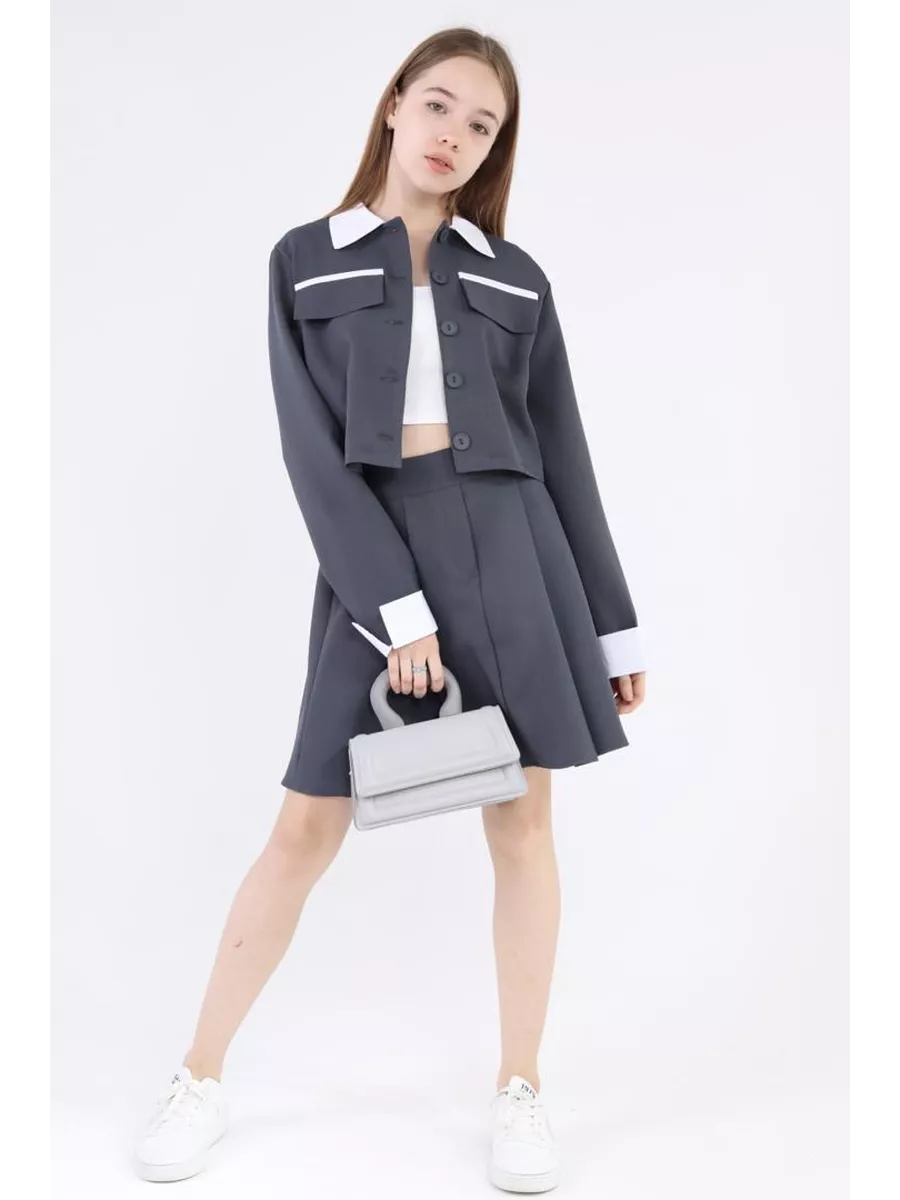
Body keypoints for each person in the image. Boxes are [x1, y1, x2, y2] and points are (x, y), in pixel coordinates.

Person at [132, 25, 646, 1191]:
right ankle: (200, 1074)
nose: (455, 135)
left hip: (518, 555)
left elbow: (565, 455)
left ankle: (522, 1089)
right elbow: (311, 456)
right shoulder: (304, 259)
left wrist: (610, 623)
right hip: (377, 558)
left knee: (522, 826)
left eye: (483, 125)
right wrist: (396, 610)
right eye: (440, 105)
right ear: (394, 104)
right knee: (302, 830)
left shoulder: (515, 276)